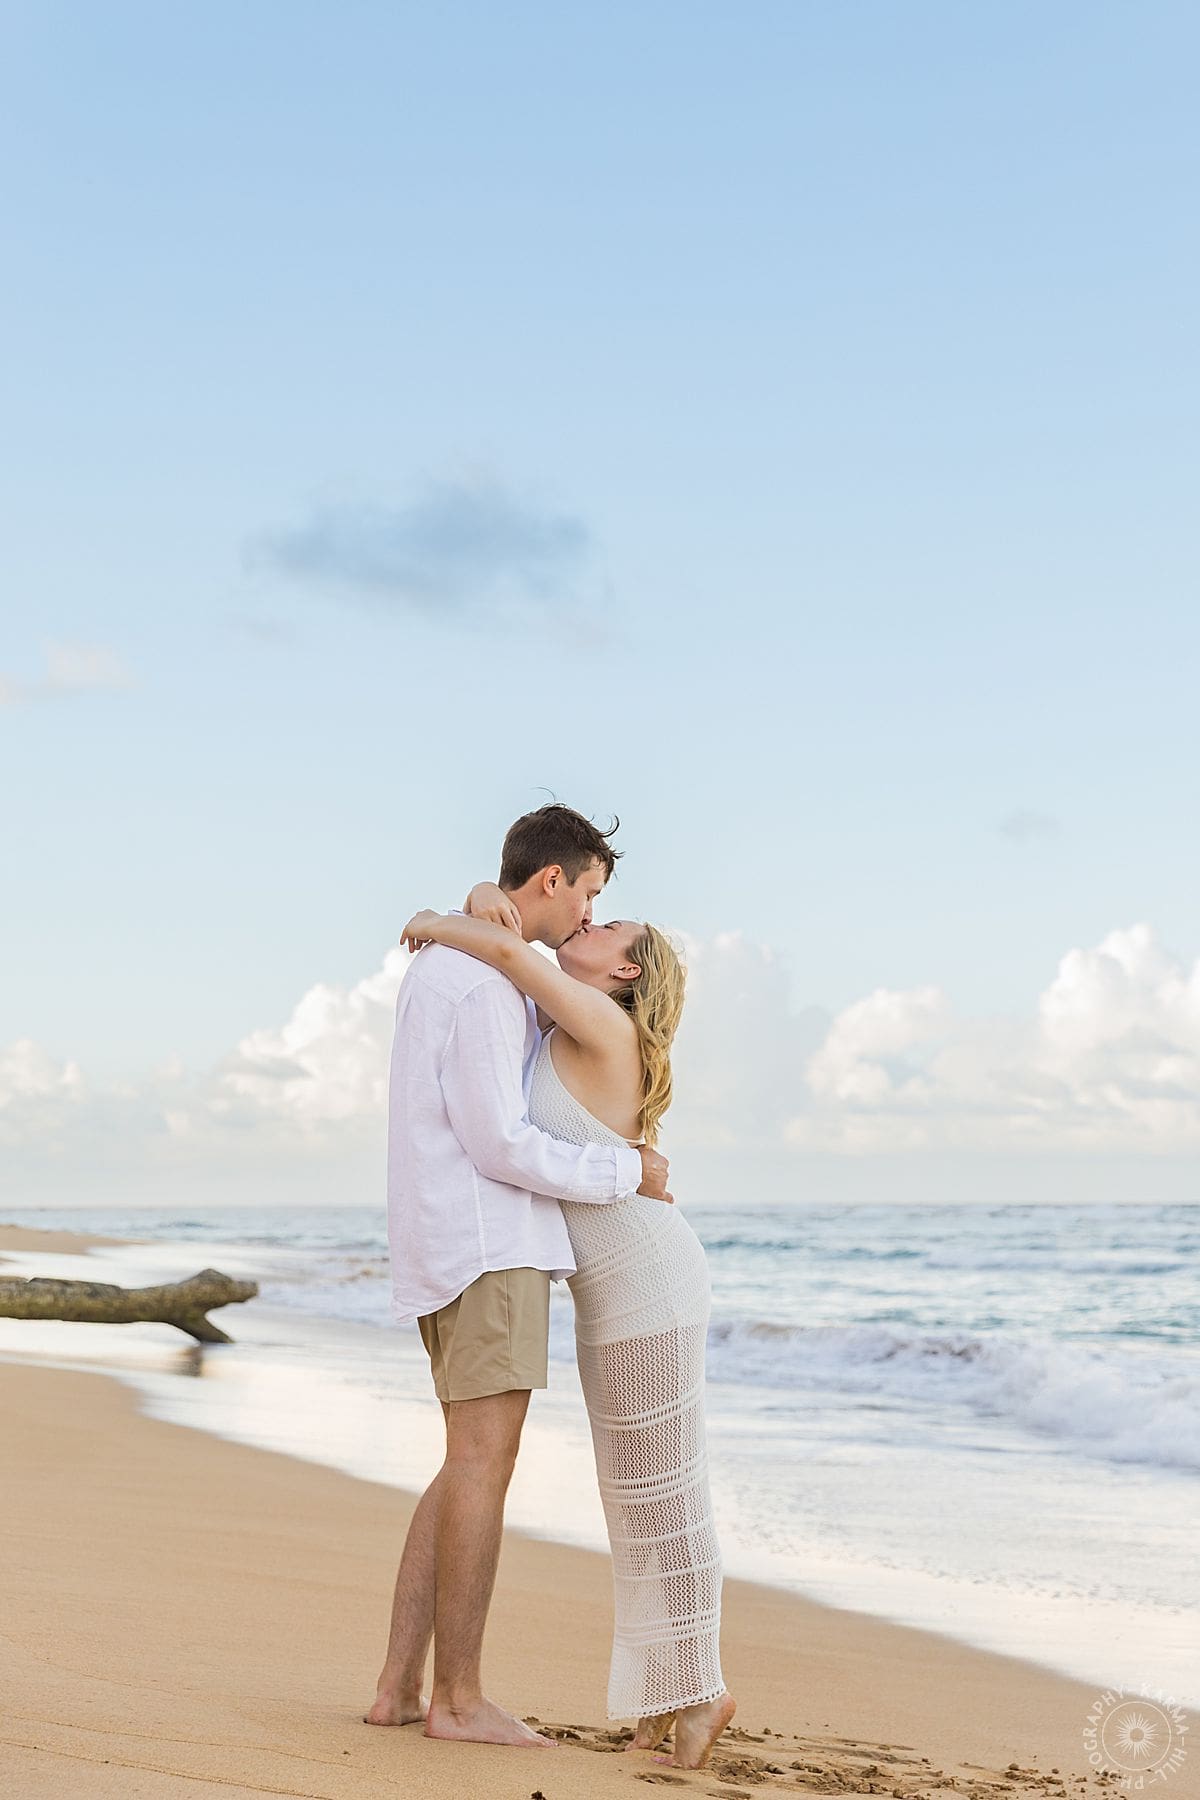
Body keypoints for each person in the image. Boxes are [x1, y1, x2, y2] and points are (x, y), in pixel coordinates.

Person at [395, 879, 737, 1770]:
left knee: (667, 1492)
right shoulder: (562, 1027)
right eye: (587, 901)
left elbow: (506, 950)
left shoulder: (603, 1024)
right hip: (610, 1293)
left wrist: (437, 921)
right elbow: (511, 945)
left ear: (626, 969)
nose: (588, 918)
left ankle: (706, 1688)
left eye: (608, 921)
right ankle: (669, 1693)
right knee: (632, 1500)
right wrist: (480, 894)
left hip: (649, 1283)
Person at [366, 804, 673, 1750]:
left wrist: (463, 908)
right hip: (488, 1247)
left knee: (462, 1465)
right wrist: (630, 1171)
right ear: (551, 881)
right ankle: (458, 1701)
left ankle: (398, 1689)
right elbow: (501, 1141)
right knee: (481, 1470)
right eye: (585, 893)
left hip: (449, 1246)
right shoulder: (487, 984)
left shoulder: (471, 967)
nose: (585, 914)